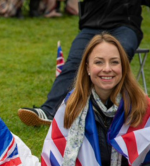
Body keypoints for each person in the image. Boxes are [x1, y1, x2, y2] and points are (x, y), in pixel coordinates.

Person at [41, 33, 150, 166]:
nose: (107, 69)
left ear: (123, 67)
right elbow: (61, 163)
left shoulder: (141, 106)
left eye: (114, 62)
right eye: (99, 62)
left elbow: (148, 159)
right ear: (88, 68)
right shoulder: (71, 106)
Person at [18, 0, 150, 127]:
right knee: (74, 63)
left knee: (117, 60)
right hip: (92, 25)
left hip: (125, 26)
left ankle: (118, 110)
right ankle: (49, 111)